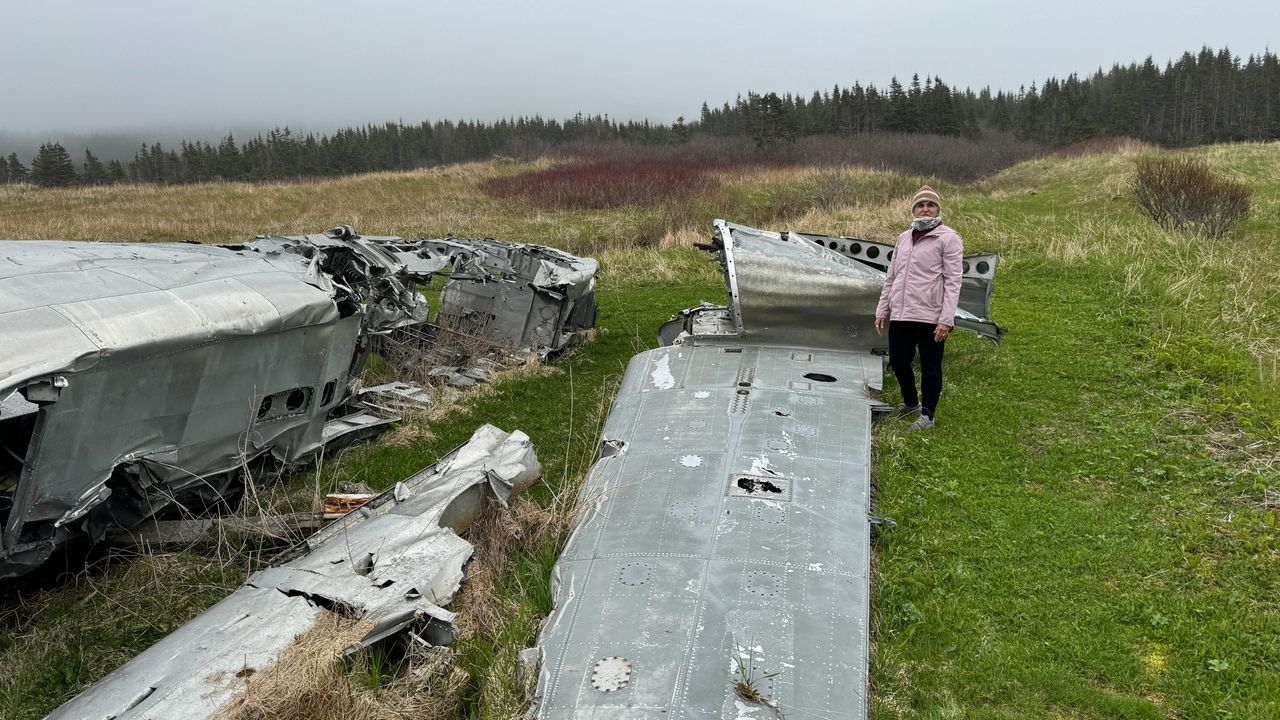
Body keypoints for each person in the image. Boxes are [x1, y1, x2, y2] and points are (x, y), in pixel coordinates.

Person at [873, 185, 963, 430]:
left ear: (937, 209)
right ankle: (911, 402)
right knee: (899, 361)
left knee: (930, 366)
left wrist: (946, 319)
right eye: (920, 205)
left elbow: (954, 281)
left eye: (930, 205)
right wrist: (882, 309)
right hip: (902, 312)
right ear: (913, 210)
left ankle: (928, 415)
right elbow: (891, 276)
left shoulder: (948, 238)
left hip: (930, 315)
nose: (925, 209)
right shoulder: (903, 238)